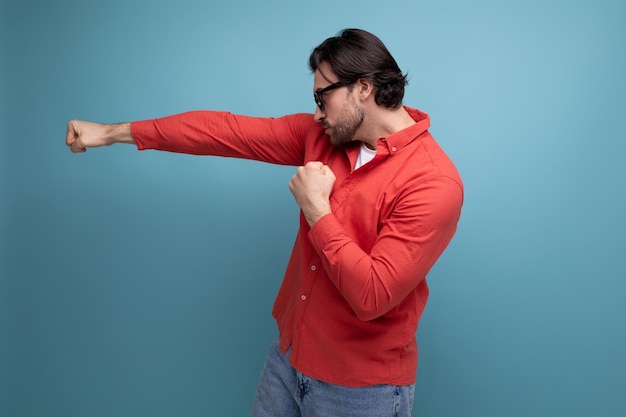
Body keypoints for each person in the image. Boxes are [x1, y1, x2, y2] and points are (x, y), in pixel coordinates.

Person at [66, 28, 463, 417]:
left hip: (360, 391)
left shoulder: (433, 183)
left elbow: (372, 295)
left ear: (362, 88)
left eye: (321, 97)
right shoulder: (323, 136)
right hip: (288, 360)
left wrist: (317, 211)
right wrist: (113, 133)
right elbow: (225, 131)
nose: (316, 112)